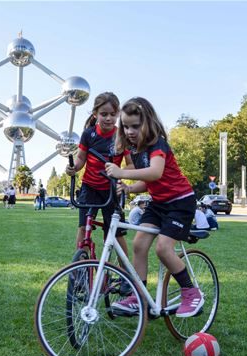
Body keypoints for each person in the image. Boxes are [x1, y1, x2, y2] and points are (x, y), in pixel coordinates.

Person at [105, 97, 203, 318]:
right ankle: (139, 298)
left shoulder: (157, 144)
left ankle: (191, 293)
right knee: (139, 244)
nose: (130, 131)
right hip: (159, 203)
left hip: (180, 203)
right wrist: (129, 189)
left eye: (135, 126)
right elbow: (148, 182)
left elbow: (155, 172)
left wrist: (122, 173)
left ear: (147, 123)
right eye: (126, 126)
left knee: (163, 248)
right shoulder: (137, 150)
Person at [65, 92, 132, 265]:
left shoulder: (122, 136)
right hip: (90, 188)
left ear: (118, 114)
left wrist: (120, 172)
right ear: (95, 114)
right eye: (104, 114)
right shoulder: (88, 134)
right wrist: (73, 168)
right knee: (83, 228)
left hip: (111, 189)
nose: (108, 118)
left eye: (112, 114)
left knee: (115, 232)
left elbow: (131, 165)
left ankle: (125, 272)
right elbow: (81, 158)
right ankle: (80, 268)